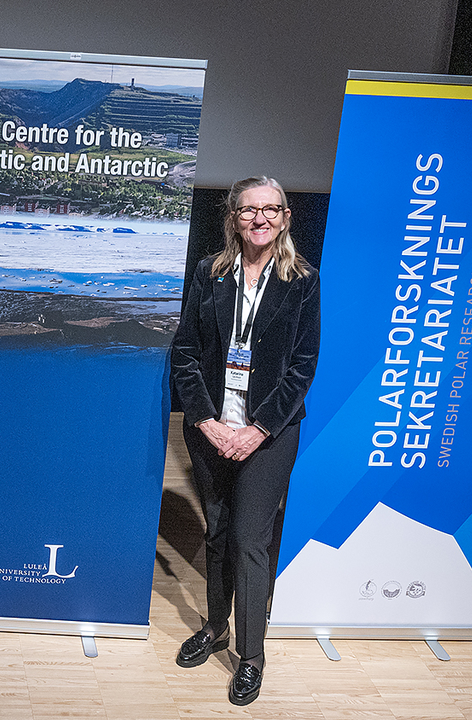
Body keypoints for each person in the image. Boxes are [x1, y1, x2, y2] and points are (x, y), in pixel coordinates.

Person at [169, 176, 320, 706]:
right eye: (249, 210)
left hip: (270, 433)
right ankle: (216, 627)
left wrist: (257, 430)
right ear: (233, 217)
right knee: (217, 533)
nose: (261, 218)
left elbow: (302, 368)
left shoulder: (302, 280)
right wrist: (206, 419)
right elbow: (185, 353)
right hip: (210, 427)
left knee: (249, 541)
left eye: (272, 209)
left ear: (284, 218)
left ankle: (251, 657)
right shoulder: (209, 275)